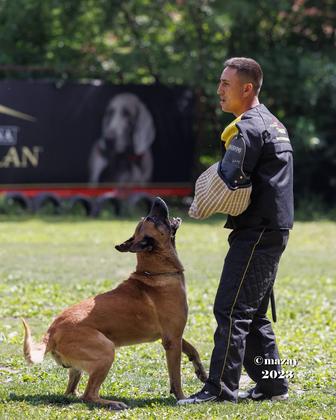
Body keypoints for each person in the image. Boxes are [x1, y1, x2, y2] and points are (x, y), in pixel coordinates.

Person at [179, 57, 294, 404]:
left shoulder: (247, 129)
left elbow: (228, 180)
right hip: (273, 228)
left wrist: (201, 201)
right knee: (252, 313)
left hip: (257, 232)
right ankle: (273, 385)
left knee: (230, 310)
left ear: (247, 88)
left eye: (225, 84)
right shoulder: (273, 124)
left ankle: (219, 389)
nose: (219, 91)